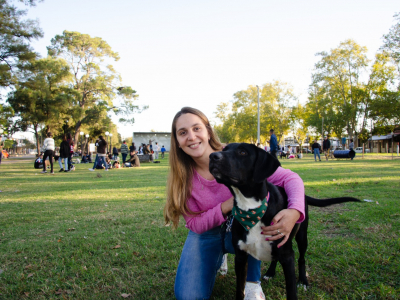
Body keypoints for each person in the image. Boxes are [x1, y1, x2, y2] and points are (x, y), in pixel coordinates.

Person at [164, 107, 305, 300]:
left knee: (254, 218)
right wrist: (227, 206)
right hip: (207, 234)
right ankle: (219, 256)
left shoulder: (238, 155)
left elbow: (291, 178)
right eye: (182, 133)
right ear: (177, 142)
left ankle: (253, 283)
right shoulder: (182, 178)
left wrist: (295, 211)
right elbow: (195, 224)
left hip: (245, 224)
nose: (191, 136)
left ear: (207, 131)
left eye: (196, 128)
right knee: (189, 296)